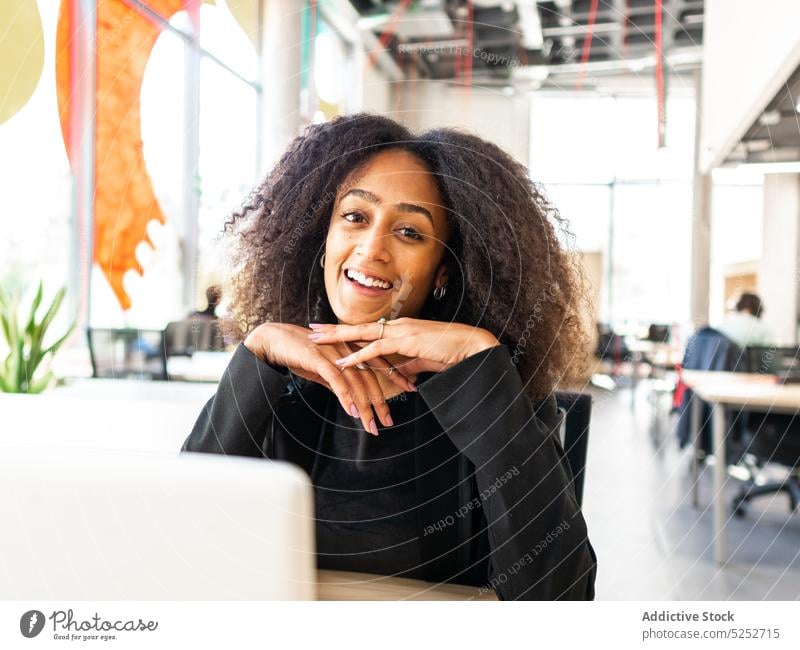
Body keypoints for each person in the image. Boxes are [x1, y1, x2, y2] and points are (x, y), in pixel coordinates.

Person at [180, 113, 597, 600]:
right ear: (323, 241)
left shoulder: (491, 388)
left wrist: (481, 362)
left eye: (410, 233)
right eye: (355, 217)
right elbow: (181, 549)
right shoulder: (274, 380)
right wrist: (255, 360)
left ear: (443, 271)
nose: (372, 248)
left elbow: (561, 598)